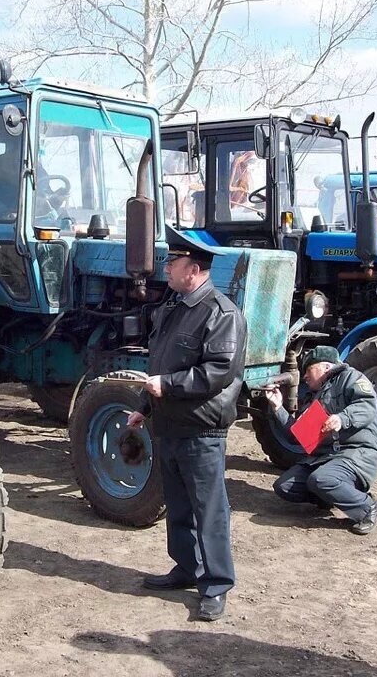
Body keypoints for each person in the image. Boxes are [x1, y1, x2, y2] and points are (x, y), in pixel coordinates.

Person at [127, 226, 247, 622]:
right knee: (178, 505)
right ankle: (186, 568)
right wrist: (145, 404)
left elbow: (217, 373)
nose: (165, 268)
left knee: (209, 510)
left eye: (172, 262)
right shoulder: (173, 309)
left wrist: (167, 385)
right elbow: (160, 364)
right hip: (170, 425)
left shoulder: (221, 314)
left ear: (193, 269)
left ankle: (216, 585)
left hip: (202, 429)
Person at [264, 345, 377, 535]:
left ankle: (367, 507)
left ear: (325, 367)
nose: (304, 376)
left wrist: (342, 418)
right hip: (327, 457)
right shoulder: (313, 397)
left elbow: (366, 406)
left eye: (308, 369)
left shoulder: (351, 378)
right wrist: (278, 407)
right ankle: (332, 496)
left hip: (357, 452)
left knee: (321, 479)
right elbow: (297, 436)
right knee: (285, 487)